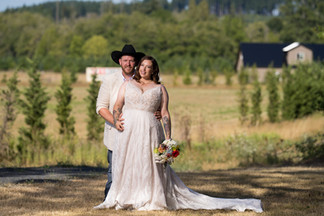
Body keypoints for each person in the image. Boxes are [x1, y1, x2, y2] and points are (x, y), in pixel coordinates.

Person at [95, 56, 263, 213]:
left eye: (148, 67)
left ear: (153, 70)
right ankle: (127, 197)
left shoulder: (160, 88)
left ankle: (148, 196)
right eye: (142, 66)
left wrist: (168, 139)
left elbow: (165, 113)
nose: (144, 69)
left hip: (150, 130)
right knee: (130, 161)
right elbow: (117, 105)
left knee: (148, 162)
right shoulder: (127, 85)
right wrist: (116, 121)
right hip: (128, 131)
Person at [96, 44, 145, 199]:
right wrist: (116, 121)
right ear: (119, 61)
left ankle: (134, 198)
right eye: (125, 60)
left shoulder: (143, 80)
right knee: (114, 169)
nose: (128, 64)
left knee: (137, 167)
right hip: (116, 132)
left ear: (136, 62)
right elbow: (101, 107)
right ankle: (110, 198)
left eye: (131, 61)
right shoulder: (110, 80)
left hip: (138, 132)